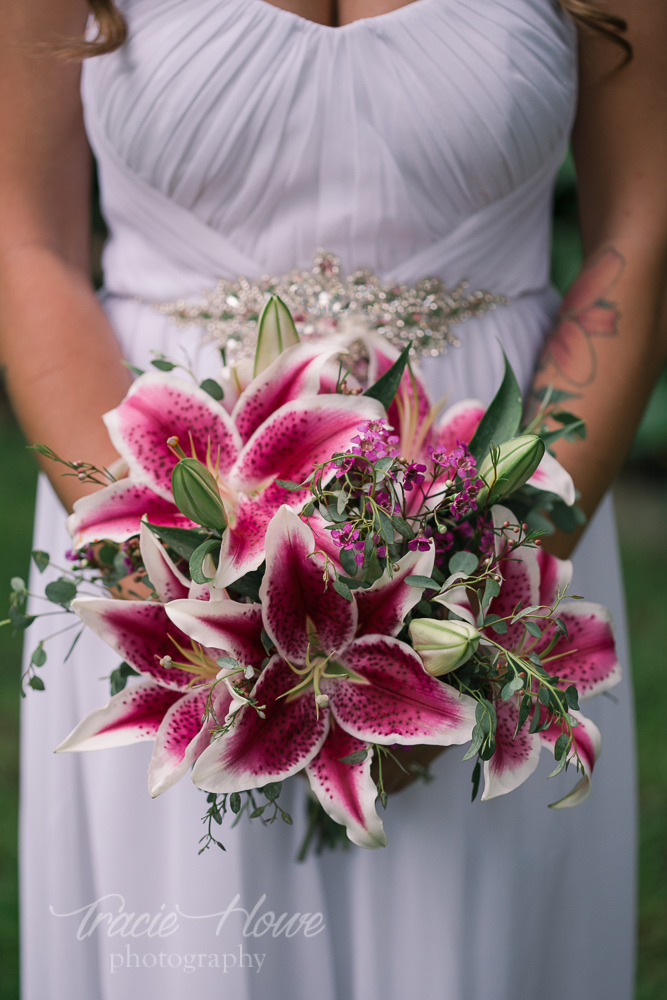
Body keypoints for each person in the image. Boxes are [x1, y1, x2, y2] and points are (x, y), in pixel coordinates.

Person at [1, 0, 665, 997]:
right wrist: (179, 573)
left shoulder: (494, 572)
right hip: (170, 532)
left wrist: (480, 590)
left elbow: (640, 218)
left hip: (505, 527)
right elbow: (23, 234)